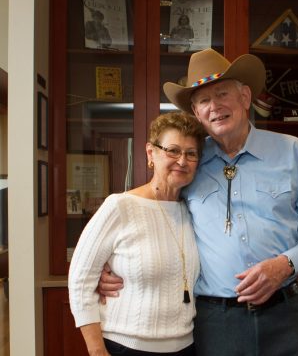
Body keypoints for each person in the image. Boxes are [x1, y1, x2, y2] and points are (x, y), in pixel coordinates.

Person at [99, 48, 298, 356]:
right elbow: (153, 212)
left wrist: (287, 264)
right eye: (203, 100)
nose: (215, 107)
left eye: (223, 93)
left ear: (245, 98)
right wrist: (109, 263)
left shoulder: (292, 152)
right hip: (216, 322)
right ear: (196, 113)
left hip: (287, 314)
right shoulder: (188, 162)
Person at [68, 111, 207, 356]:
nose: (182, 161)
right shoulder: (119, 206)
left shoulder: (193, 211)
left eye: (191, 153)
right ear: (151, 152)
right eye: (172, 150)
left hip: (186, 347)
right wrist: (97, 351)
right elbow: (80, 281)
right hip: (126, 347)